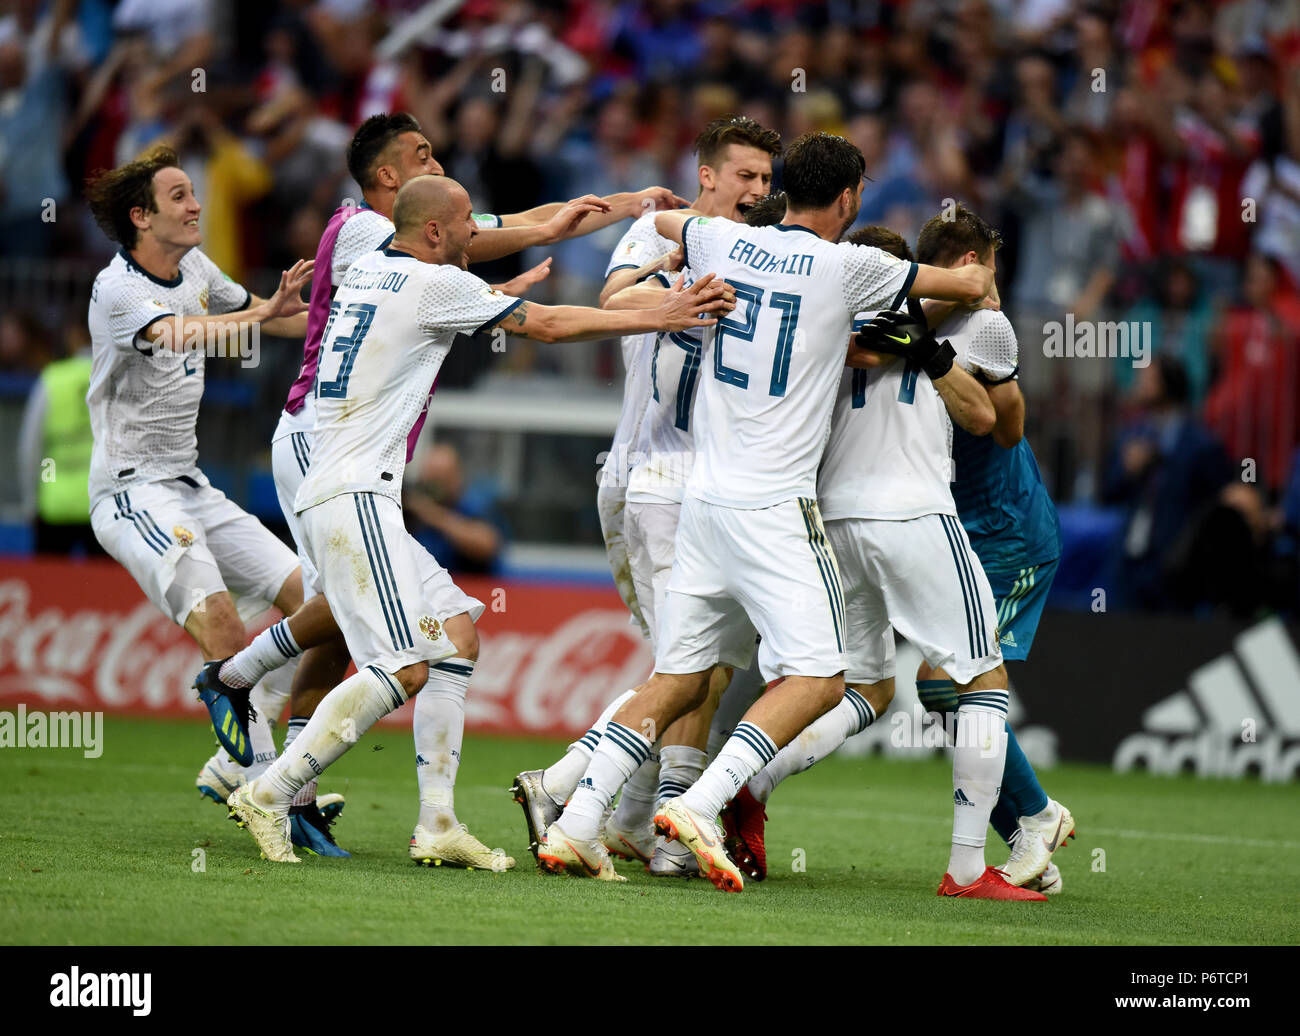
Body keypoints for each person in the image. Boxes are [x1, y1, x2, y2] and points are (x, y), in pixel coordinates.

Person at [198, 111, 685, 864]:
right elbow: (549, 325)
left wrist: (535, 254)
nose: (472, 243)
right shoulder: (419, 271)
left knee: (456, 635)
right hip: (353, 488)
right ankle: (270, 789)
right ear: (428, 229)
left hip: (340, 479)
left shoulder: (373, 265)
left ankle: (435, 824)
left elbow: (447, 294)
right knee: (404, 664)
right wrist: (663, 310)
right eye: (463, 232)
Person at [535, 132, 993, 891]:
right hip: (775, 505)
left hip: (703, 501)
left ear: (782, 186)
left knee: (678, 674)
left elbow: (672, 223)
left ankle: (579, 822)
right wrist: (973, 277)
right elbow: (966, 290)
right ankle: (702, 805)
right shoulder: (852, 265)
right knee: (819, 679)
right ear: (849, 199)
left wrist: (664, 220)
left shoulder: (720, 238)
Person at [724, 213, 1073, 897]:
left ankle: (1032, 820)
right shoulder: (874, 326)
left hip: (1003, 533)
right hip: (914, 521)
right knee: (877, 685)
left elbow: (1006, 430)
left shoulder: (984, 328)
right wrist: (904, 330)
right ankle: (1021, 827)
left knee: (946, 686)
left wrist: (924, 343)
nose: (992, 285)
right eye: (989, 272)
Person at [510, 115, 782, 878]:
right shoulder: (665, 235)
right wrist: (674, 278)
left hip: (714, 487)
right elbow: (610, 307)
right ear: (707, 176)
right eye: (744, 177)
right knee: (687, 664)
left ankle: (628, 817)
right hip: (652, 475)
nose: (757, 192)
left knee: (706, 662)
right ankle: (610, 809)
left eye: (766, 181)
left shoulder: (770, 253)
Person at [84, 143, 312, 792]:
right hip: (132, 492)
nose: (196, 204)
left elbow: (273, 319)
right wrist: (259, 315)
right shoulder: (118, 288)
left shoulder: (198, 269)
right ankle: (269, 788)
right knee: (221, 624)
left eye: (193, 192)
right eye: (180, 195)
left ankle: (234, 764)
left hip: (191, 485)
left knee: (319, 606)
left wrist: (353, 318)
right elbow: (178, 333)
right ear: (140, 217)